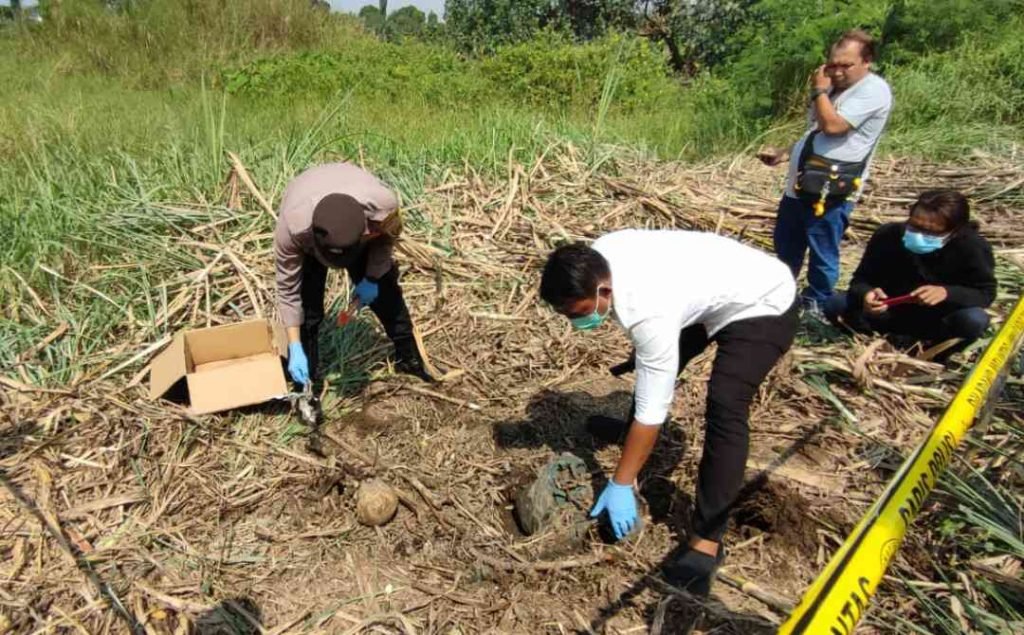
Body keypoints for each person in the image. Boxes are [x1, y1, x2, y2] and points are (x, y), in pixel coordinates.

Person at [539, 229, 798, 596]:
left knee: (725, 404)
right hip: (704, 288)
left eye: (578, 313)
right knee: (652, 366)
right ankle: (633, 441)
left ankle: (707, 540)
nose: (575, 323)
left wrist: (621, 483)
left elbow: (653, 410)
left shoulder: (649, 312)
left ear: (604, 292)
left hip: (763, 300)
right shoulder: (598, 257)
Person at [274, 162, 435, 408]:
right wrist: (294, 345)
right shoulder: (293, 230)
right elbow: (288, 291)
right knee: (308, 309)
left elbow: (385, 243)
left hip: (357, 222)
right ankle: (305, 382)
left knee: (386, 294)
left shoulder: (383, 207)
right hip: (308, 218)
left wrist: (371, 279)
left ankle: (410, 358)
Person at [758, 30, 893, 314]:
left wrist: (818, 89)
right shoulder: (833, 89)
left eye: (846, 65)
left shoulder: (873, 90)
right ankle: (779, 300)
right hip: (799, 187)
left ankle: (816, 307)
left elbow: (834, 126)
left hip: (831, 192)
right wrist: (784, 154)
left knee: (822, 252)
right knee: (786, 248)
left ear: (867, 62)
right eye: (833, 64)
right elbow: (816, 131)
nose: (838, 71)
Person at [824, 190, 996, 360]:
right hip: (890, 312)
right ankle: (879, 342)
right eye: (914, 226)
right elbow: (860, 280)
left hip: (937, 320)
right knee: (836, 304)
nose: (919, 235)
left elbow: (985, 293)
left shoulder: (972, 247)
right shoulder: (888, 235)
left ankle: (936, 352)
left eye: (931, 232)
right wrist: (866, 294)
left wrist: (947, 293)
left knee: (974, 320)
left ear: (954, 231)